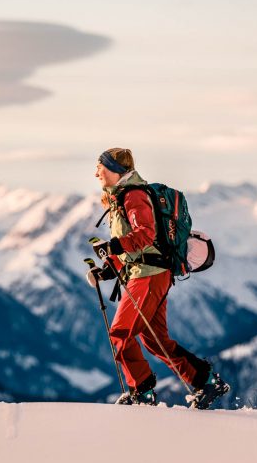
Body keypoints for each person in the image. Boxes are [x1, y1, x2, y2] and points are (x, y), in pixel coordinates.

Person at [87, 147, 229, 408]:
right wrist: (109, 268)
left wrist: (112, 248)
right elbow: (135, 246)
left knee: (120, 333)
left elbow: (145, 235)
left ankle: (141, 393)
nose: (96, 172)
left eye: (101, 167)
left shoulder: (134, 196)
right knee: (156, 341)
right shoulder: (121, 197)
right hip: (149, 274)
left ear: (116, 171)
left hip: (148, 276)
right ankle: (206, 382)